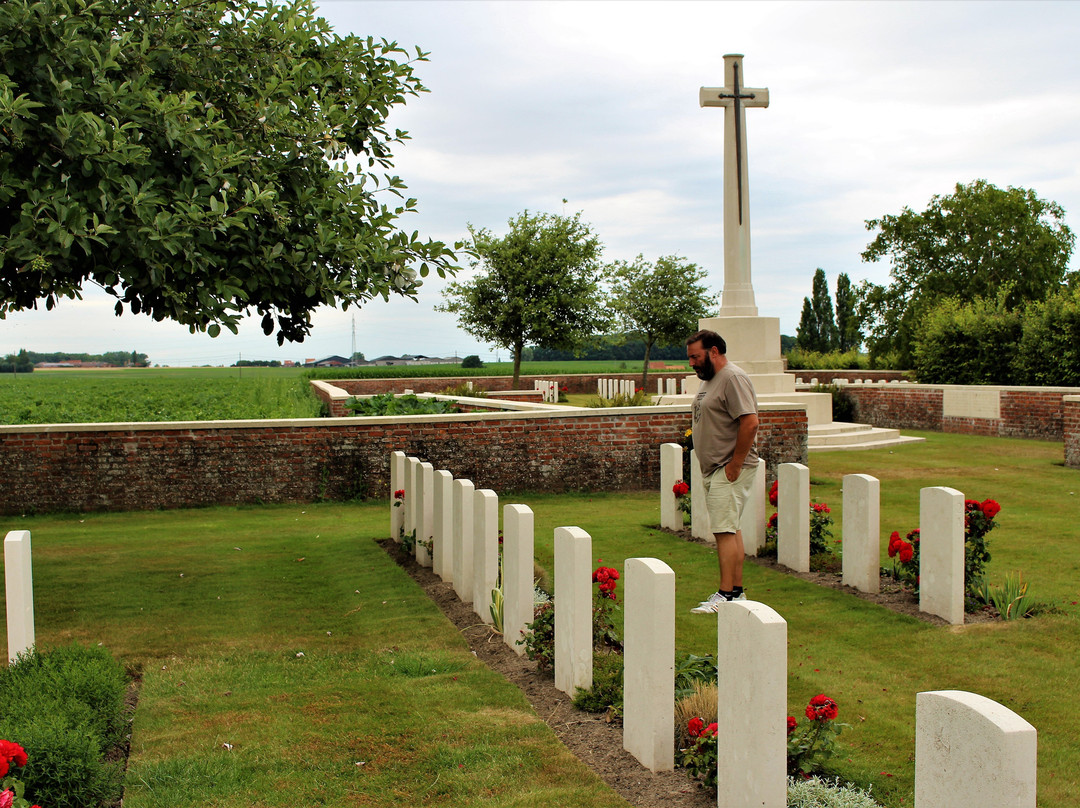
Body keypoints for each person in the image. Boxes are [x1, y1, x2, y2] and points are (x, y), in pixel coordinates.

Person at [684, 329, 760, 613]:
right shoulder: (710, 379)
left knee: (723, 532)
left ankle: (725, 595)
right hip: (715, 468)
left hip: (727, 468)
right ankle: (736, 593)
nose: (691, 363)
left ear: (713, 351)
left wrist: (736, 463)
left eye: (695, 356)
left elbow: (750, 422)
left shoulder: (733, 378)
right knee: (731, 529)